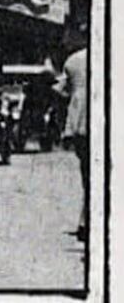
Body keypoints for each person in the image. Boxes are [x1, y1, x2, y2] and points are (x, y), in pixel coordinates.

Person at [59, 21, 89, 242]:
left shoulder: (73, 62)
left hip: (81, 124)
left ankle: (85, 221)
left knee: (86, 174)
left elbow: (62, 91)